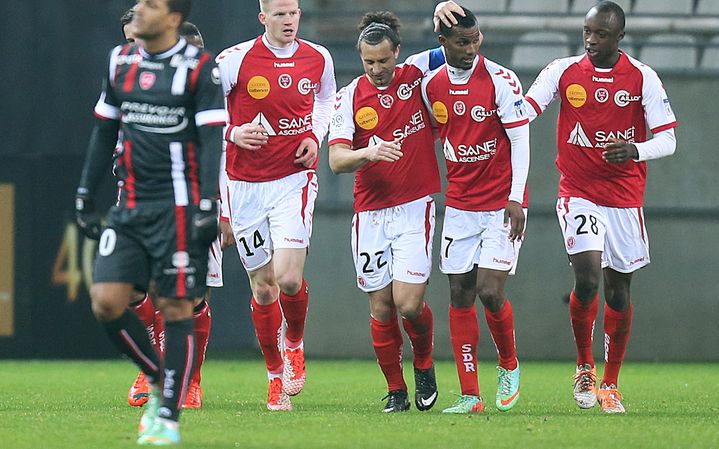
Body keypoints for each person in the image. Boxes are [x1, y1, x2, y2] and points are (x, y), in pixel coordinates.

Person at [75, 0, 225, 443]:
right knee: (106, 301)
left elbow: (212, 141)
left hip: (177, 206)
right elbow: (104, 130)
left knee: (176, 307)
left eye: (151, 5)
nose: (138, 10)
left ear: (173, 19)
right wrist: (85, 193)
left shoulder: (199, 68)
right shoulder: (121, 60)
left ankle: (168, 417)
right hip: (130, 206)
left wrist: (206, 206)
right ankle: (161, 376)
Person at [524, 1, 677, 414]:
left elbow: (669, 139)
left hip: (625, 198)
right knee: (588, 277)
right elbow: (527, 109)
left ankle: (611, 382)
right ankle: (584, 366)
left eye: (601, 34)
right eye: (587, 31)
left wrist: (636, 149)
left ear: (619, 37)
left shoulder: (642, 77)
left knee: (618, 289)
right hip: (578, 191)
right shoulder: (562, 70)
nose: (591, 40)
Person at [327, 6, 459, 412]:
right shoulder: (349, 96)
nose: (377, 69)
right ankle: (396, 390)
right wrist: (370, 151)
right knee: (380, 305)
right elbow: (336, 160)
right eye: (369, 62)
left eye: (384, 60)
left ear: (397, 52)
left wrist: (443, 13)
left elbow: (458, 44)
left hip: (413, 207)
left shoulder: (418, 72)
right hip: (370, 213)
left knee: (409, 304)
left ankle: (423, 363)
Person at [215, 0, 336, 411]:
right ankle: (273, 375)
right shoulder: (233, 60)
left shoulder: (318, 57)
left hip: (292, 180)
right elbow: (208, 116)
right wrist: (235, 133)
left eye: (294, 12)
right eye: (280, 14)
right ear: (262, 17)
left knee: (287, 279)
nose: (289, 21)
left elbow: (326, 101)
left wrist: (314, 138)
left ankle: (295, 343)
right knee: (263, 288)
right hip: (245, 186)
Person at [118, 11, 231, 410]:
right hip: (137, 197)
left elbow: (219, 151)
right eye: (131, 39)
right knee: (131, 288)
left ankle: (189, 380)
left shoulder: (200, 83)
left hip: (193, 198)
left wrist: (222, 208)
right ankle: (153, 367)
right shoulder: (126, 78)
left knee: (190, 293)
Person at [422, 4, 529, 414]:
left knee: (489, 290)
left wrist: (517, 197)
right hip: (461, 205)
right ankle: (471, 395)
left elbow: (520, 141)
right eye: (462, 42)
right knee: (459, 292)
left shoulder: (501, 80)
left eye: (476, 40)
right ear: (442, 42)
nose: (471, 48)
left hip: (501, 203)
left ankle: (508, 364)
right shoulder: (431, 86)